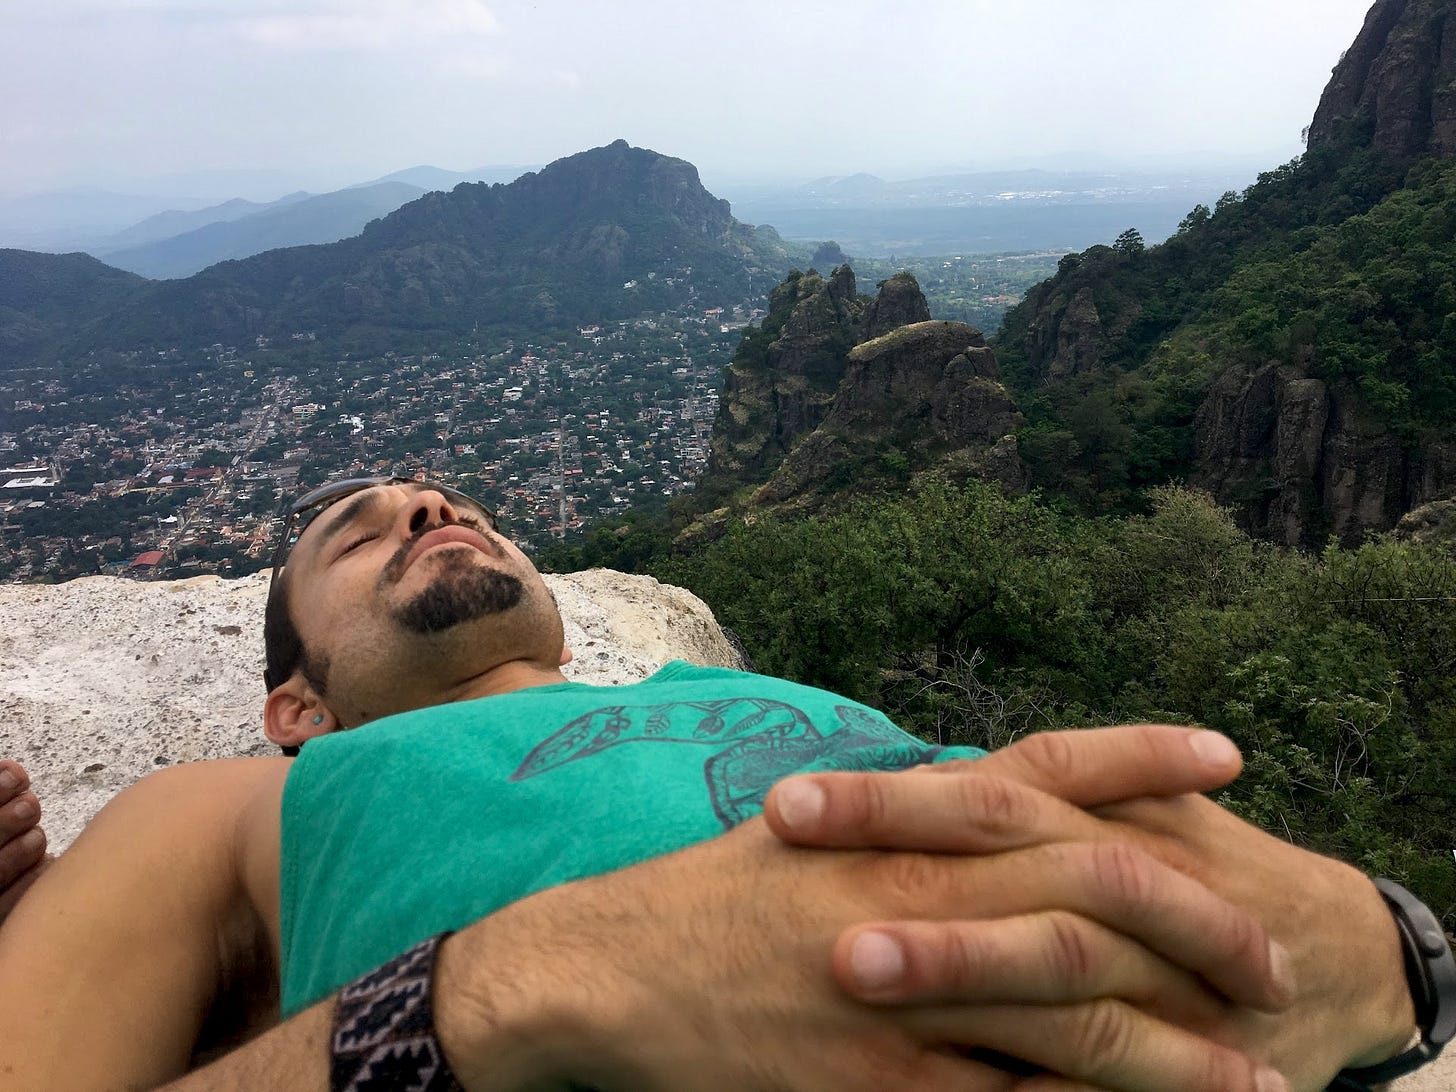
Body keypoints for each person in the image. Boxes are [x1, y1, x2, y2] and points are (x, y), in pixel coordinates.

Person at [0, 477, 1429, 1091]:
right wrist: (496, 996)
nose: (429, 507)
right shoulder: (235, 806)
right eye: (358, 537)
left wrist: (1395, 951)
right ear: (297, 703)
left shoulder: (757, 699)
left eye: (448, 503)